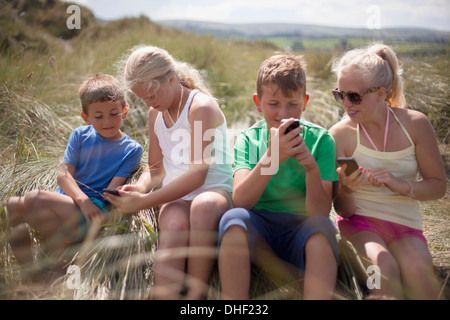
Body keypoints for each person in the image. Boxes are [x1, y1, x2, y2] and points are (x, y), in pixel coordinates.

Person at [105, 45, 233, 299]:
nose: (149, 103)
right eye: (142, 99)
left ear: (172, 79)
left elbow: (199, 175)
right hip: (177, 197)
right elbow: (155, 168)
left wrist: (143, 202)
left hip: (214, 192)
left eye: (152, 95)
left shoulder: (200, 108)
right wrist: (139, 188)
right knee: (174, 225)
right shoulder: (156, 114)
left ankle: (196, 296)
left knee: (202, 207)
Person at [217, 53, 340, 300]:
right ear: (258, 102)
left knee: (323, 229)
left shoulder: (321, 141)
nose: (283, 113)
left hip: (301, 228)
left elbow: (319, 213)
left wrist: (311, 168)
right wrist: (273, 157)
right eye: (273, 103)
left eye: (292, 104)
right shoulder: (249, 140)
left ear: (305, 102)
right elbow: (242, 201)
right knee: (233, 219)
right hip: (258, 225)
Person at [329, 43, 446, 299]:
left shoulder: (415, 124)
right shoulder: (339, 135)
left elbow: (438, 186)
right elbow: (344, 210)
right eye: (340, 95)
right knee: (384, 269)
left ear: (381, 94)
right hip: (360, 224)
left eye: (355, 96)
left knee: (418, 273)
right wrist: (347, 189)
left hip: (406, 225)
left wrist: (402, 185)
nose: (346, 104)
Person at [3, 74, 143, 280]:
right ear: (86, 117)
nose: (108, 121)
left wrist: (90, 203)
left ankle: (59, 264)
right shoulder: (80, 135)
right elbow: (63, 176)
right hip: (71, 201)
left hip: (93, 210)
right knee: (9, 207)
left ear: (124, 111)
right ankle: (29, 274)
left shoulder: (131, 149)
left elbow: (108, 193)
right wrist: (81, 200)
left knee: (35, 198)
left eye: (114, 113)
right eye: (98, 116)